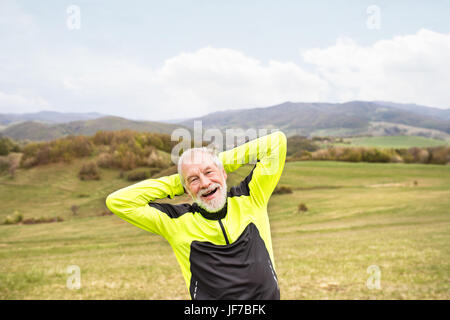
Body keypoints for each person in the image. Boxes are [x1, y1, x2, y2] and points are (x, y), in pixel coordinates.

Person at [106, 131, 287, 300]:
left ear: (224, 173)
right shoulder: (175, 222)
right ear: (186, 189)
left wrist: (215, 162)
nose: (205, 183)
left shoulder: (251, 197)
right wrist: (179, 181)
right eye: (194, 180)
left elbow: (276, 142)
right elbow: (118, 201)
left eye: (209, 172)